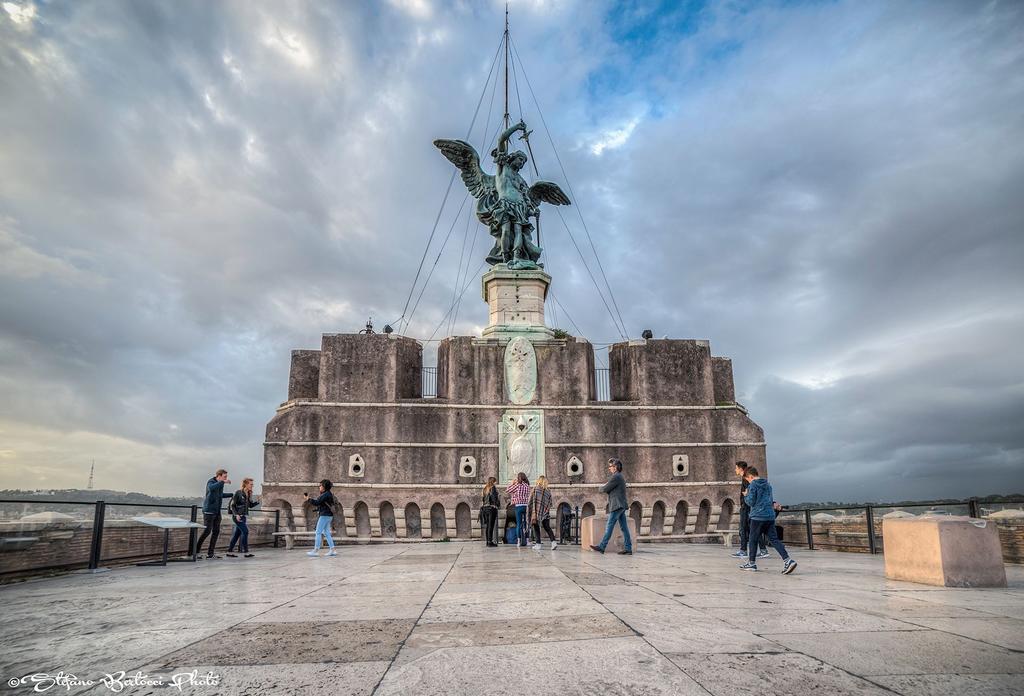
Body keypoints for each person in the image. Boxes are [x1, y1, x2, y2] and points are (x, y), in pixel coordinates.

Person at [739, 467, 797, 574]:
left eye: (748, 480)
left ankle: (751, 563)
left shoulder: (753, 485)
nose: (748, 482)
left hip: (757, 516)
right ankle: (788, 560)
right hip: (769, 516)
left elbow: (751, 502)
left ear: (751, 476)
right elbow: (770, 501)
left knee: (753, 540)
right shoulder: (768, 485)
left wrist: (746, 495)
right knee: (774, 540)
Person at [589, 458, 633, 555]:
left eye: (611, 466)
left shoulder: (616, 477)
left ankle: (602, 546)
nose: (609, 468)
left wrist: (599, 488)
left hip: (617, 505)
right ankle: (628, 548)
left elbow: (605, 488)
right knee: (624, 528)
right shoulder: (619, 476)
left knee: (609, 526)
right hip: (621, 505)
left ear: (615, 467)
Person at [194, 469, 232, 559]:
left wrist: (232, 494)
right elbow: (211, 488)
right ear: (219, 476)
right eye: (224, 476)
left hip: (217, 512)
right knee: (207, 531)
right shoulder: (211, 482)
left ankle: (210, 554)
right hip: (209, 511)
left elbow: (220, 495)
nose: (226, 478)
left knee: (216, 532)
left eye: (226, 477)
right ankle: (195, 551)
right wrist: (223, 482)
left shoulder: (220, 484)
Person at [732, 461, 767, 559]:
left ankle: (743, 551)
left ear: (740, 469)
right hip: (747, 507)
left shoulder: (746, 479)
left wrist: (746, 502)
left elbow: (750, 494)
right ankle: (763, 550)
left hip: (747, 507)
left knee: (743, 528)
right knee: (752, 529)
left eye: (736, 468)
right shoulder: (745, 479)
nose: (735, 470)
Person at [303, 479, 337, 558]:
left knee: (318, 532)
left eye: (321, 485)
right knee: (327, 533)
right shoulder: (328, 494)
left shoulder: (325, 494)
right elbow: (322, 504)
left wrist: (308, 499)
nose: (319, 487)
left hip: (324, 515)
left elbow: (317, 502)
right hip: (328, 515)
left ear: (324, 486)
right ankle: (333, 550)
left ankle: (316, 550)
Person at [226, 478, 259, 558]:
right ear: (246, 484)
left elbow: (250, 506)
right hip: (237, 516)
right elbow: (232, 505)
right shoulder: (238, 493)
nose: (252, 485)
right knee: (245, 532)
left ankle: (229, 552)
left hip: (243, 517)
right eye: (251, 484)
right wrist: (236, 515)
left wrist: (257, 501)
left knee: (237, 535)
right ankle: (246, 552)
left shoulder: (248, 493)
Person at [528, 475, 558, 551]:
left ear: (539, 481)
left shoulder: (535, 489)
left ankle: (538, 544)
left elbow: (530, 501)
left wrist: (531, 511)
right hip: (545, 513)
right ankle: (554, 542)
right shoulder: (548, 491)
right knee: (547, 527)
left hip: (536, 512)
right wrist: (545, 510)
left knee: (536, 527)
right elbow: (550, 503)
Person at [506, 472, 531, 547]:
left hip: (518, 506)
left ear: (519, 478)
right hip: (526, 506)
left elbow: (507, 490)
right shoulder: (527, 486)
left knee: (519, 523)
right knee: (526, 524)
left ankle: (519, 541)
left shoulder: (517, 485)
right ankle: (527, 540)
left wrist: (512, 483)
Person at [480, 477, 500, 548]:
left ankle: (488, 541)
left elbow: (483, 499)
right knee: (491, 526)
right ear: (493, 481)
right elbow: (494, 498)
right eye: (495, 482)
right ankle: (490, 542)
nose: (496, 483)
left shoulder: (485, 488)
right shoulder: (493, 488)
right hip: (491, 508)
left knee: (488, 526)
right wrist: (497, 504)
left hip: (485, 509)